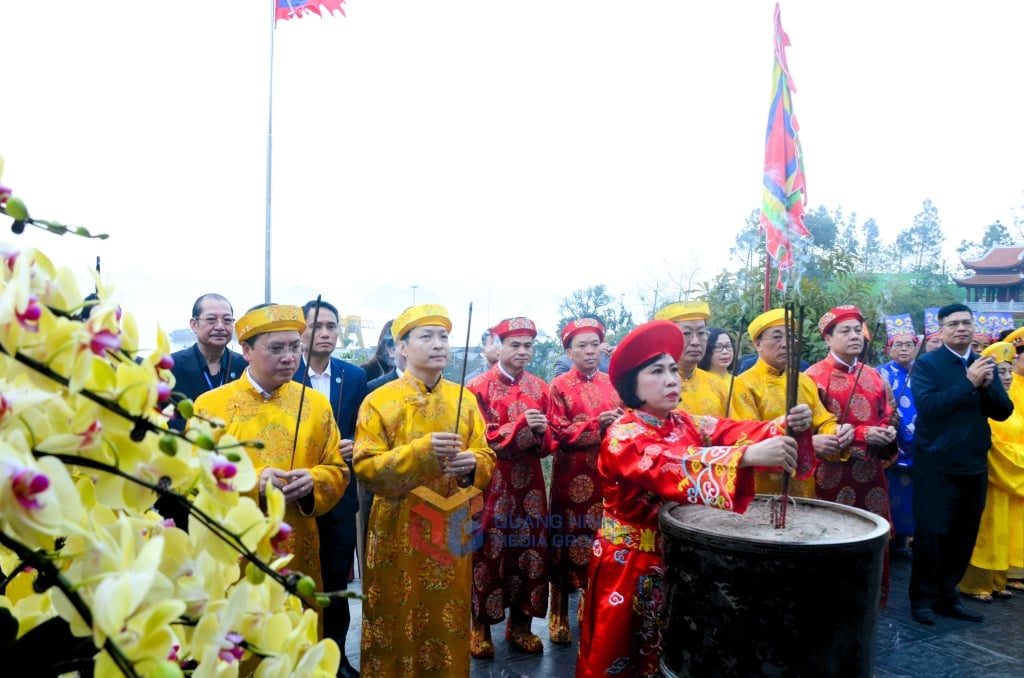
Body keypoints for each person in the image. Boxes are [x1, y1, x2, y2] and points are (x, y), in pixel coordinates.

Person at [575, 320, 811, 678]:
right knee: (623, 652)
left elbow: (729, 430)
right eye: (657, 371)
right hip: (630, 564)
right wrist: (746, 457)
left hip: (680, 556)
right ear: (631, 384)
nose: (671, 379)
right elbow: (667, 465)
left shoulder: (682, 422)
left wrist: (783, 424)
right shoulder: (623, 436)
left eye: (673, 369)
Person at [353, 304, 495, 676]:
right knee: (394, 613)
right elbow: (366, 468)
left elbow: (485, 453)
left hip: (450, 525)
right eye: (426, 336)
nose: (438, 345)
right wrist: (422, 452)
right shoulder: (378, 401)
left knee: (446, 614)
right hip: (396, 528)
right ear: (400, 348)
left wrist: (473, 465)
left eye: (443, 337)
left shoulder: (464, 399)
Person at [193, 304, 348, 629]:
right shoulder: (210, 406)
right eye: (276, 348)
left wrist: (313, 481)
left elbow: (337, 469)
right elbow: (194, 478)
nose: (289, 357)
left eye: (294, 346)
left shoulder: (316, 404)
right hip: (237, 548)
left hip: (299, 550)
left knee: (299, 639)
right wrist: (254, 484)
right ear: (246, 350)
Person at [908, 303, 1013, 625]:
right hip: (936, 465)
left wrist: (984, 386)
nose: (962, 328)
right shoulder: (928, 364)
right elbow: (928, 407)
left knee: (963, 534)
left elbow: (1003, 410)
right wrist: (968, 383)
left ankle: (948, 595)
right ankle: (922, 600)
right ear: (941, 331)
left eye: (966, 322)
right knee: (932, 534)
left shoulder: (984, 364)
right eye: (953, 324)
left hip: (973, 464)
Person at [466, 316, 555, 657]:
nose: (522, 351)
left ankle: (521, 626)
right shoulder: (477, 387)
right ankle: (481, 627)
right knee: (489, 551)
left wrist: (542, 431)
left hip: (530, 484)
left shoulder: (540, 388)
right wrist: (520, 424)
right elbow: (480, 439)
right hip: (493, 482)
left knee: (530, 552)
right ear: (498, 346)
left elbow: (551, 442)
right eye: (514, 345)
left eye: (528, 346)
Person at [805, 305, 898, 607]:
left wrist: (887, 431)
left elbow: (889, 415)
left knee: (871, 536)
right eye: (845, 331)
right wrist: (861, 435)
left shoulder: (874, 375)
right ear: (828, 338)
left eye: (858, 330)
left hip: (871, 474)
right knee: (831, 536)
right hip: (830, 475)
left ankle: (868, 604)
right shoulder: (812, 378)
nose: (854, 336)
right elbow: (808, 430)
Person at [294, 299, 368, 678]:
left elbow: (361, 428)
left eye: (332, 327)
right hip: (297, 495)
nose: (325, 334)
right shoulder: (286, 374)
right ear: (300, 330)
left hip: (339, 494)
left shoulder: (352, 376)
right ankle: (297, 657)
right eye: (317, 326)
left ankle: (336, 658)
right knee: (295, 580)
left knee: (336, 583)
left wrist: (355, 444)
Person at [547, 317, 623, 645]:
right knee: (567, 541)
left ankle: (589, 610)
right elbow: (556, 432)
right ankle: (559, 611)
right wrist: (596, 425)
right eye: (582, 346)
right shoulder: (559, 386)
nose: (590, 351)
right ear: (569, 350)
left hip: (606, 476)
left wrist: (617, 424)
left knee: (600, 542)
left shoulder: (614, 384)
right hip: (571, 476)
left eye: (595, 344)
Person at [729, 308, 851, 498]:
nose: (786, 344)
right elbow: (748, 437)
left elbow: (823, 420)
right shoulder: (743, 384)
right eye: (777, 337)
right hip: (762, 487)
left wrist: (837, 432)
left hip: (803, 486)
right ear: (758, 344)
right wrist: (807, 445)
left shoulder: (804, 381)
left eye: (790, 337)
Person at [959, 341, 1024, 602]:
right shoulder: (984, 404)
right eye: (1000, 372)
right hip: (992, 475)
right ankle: (975, 583)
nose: (1006, 377)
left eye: (1009, 371)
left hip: (1008, 480)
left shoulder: (1009, 401)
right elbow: (994, 447)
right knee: (984, 531)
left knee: (1001, 531)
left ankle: (997, 581)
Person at [168, 293, 247, 430]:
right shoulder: (171, 366)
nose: (220, 327)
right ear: (194, 325)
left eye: (227, 320)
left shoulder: (245, 367)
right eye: (211, 320)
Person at [877, 315, 920, 558]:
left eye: (908, 344)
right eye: (898, 344)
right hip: (892, 442)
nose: (904, 349)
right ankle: (889, 542)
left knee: (911, 496)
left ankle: (904, 541)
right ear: (888, 349)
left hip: (920, 443)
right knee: (891, 492)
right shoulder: (878, 373)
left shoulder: (923, 373)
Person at [654, 300, 727, 416]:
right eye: (687, 333)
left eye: (701, 333)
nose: (695, 342)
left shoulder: (718, 386)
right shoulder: (649, 387)